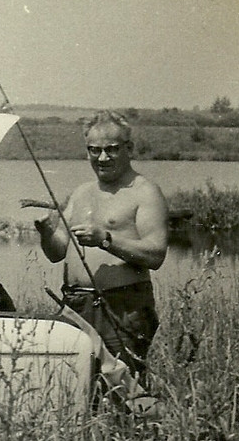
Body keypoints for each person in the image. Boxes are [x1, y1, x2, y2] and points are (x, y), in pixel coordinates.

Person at [33, 110, 169, 392]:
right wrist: (46, 232)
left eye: (111, 149)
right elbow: (56, 252)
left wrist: (106, 239)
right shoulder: (82, 192)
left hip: (121, 308)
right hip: (76, 306)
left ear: (129, 149)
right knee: (79, 390)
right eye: (94, 150)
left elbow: (156, 254)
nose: (102, 158)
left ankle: (137, 434)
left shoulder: (144, 192)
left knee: (125, 392)